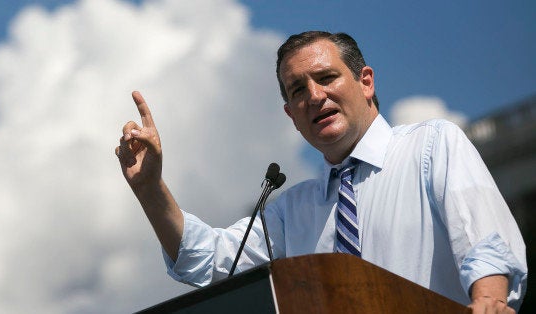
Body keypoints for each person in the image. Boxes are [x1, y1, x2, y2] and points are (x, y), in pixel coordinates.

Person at [116, 31, 527, 313]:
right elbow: (206, 262)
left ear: (365, 82)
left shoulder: (431, 145)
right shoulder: (290, 211)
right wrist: (151, 189)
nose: (314, 96)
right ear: (291, 115)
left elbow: (485, 244)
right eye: (297, 90)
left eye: (327, 77)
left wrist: (489, 300)